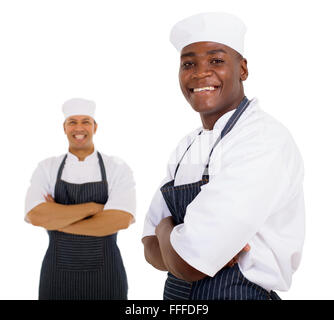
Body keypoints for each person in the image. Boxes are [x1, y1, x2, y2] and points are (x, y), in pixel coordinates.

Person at [142, 12, 305, 300]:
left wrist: (166, 228)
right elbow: (148, 247)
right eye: (188, 63)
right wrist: (181, 242)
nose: (200, 72)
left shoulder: (262, 139)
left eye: (216, 60)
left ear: (242, 68)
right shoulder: (186, 147)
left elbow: (188, 263)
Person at [25, 98, 136, 300]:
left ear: (95, 126)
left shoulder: (117, 168)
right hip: (56, 277)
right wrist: (94, 208)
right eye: (72, 122)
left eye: (85, 121)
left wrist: (57, 219)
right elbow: (36, 215)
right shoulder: (47, 168)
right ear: (64, 128)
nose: (79, 128)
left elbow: (121, 220)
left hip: (107, 277)